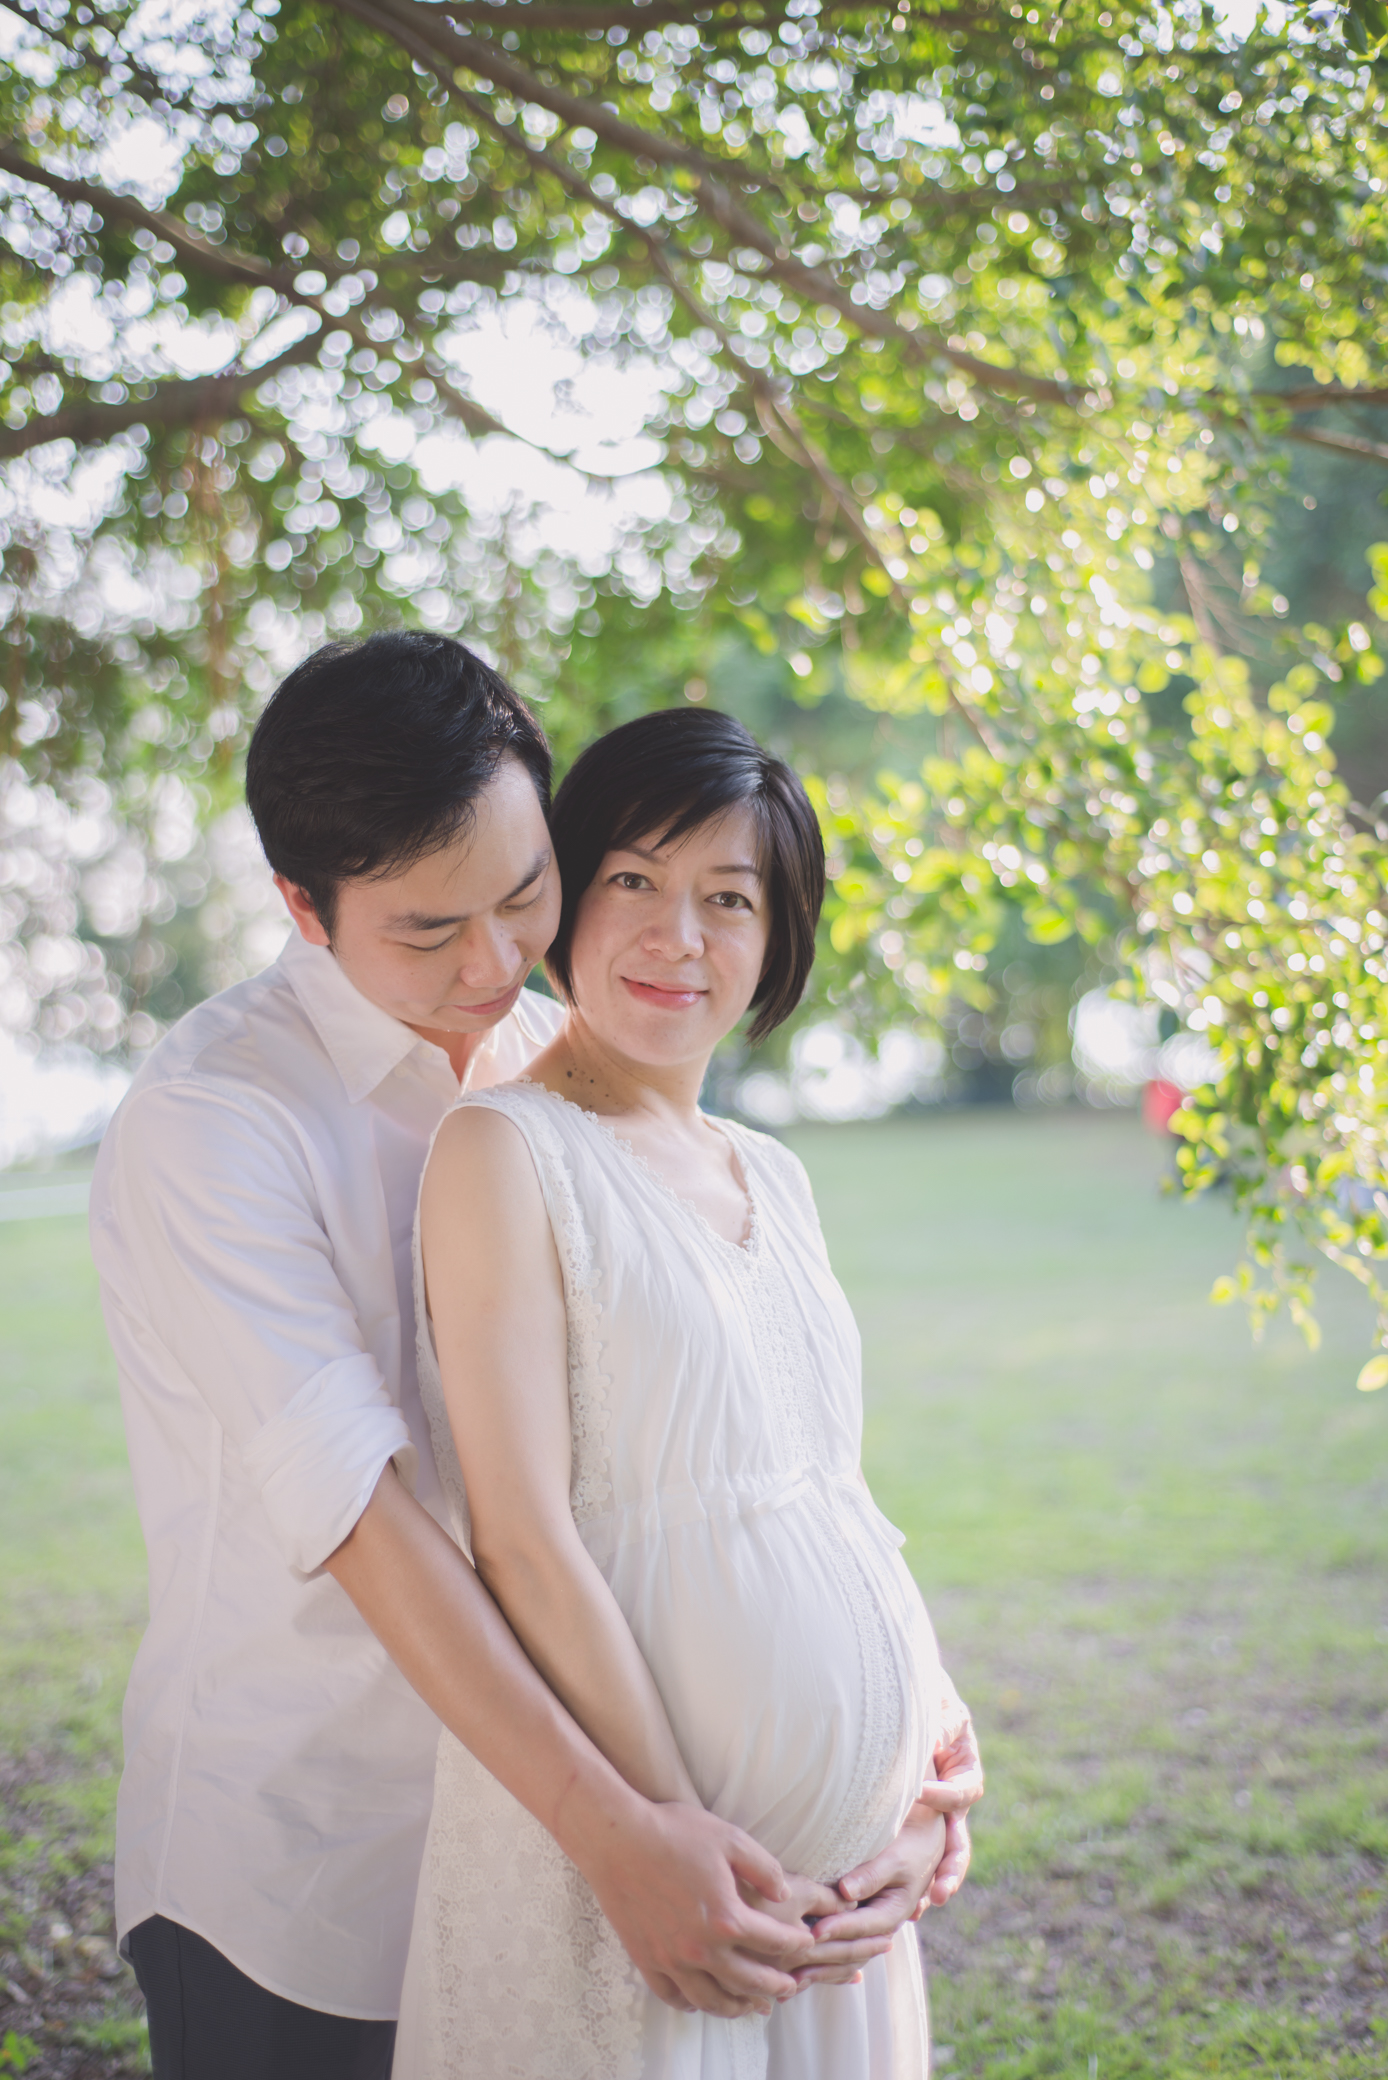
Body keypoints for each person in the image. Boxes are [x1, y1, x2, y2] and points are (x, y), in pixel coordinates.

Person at [90, 635, 982, 2078]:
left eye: (522, 898)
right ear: (303, 907)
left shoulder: (566, 1057)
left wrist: (917, 1724)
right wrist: (617, 1827)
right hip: (321, 1855)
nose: (495, 965)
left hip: (560, 1844)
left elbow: (787, 1456)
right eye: (429, 931)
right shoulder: (215, 1121)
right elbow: (370, 1520)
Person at [395, 706, 974, 2079]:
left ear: (778, 938)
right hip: (660, 1885)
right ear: (564, 901)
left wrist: (929, 1777)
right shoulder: (504, 1151)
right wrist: (677, 1842)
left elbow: (835, 1496)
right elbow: (522, 1539)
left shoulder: (773, 1171)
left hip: (835, 1907)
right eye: (634, 881)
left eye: (729, 898)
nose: (679, 937)